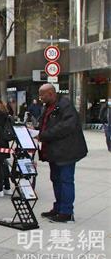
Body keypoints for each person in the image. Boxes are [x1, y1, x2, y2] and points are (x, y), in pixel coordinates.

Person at [37, 84, 87, 223]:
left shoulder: (65, 105)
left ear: (51, 93)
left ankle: (66, 212)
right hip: (54, 151)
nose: (40, 98)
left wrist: (45, 135)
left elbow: (66, 126)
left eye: (42, 95)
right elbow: (44, 124)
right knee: (56, 179)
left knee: (66, 180)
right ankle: (58, 207)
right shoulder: (47, 106)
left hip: (67, 151)